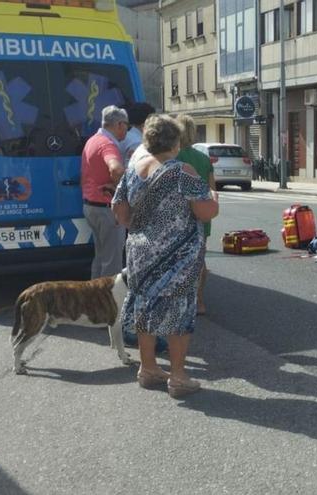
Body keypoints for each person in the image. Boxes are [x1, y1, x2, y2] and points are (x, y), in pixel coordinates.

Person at [111, 114, 218, 397]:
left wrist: (144, 230)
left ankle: (148, 369)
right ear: (176, 142)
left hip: (139, 253)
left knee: (146, 309)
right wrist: (214, 196)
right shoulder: (182, 171)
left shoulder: (133, 169)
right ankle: (178, 377)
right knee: (178, 312)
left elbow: (120, 212)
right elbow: (205, 211)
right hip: (177, 257)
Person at [82, 105, 129, 279]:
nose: (127, 130)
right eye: (126, 125)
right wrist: (121, 189)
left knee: (100, 257)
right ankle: (110, 303)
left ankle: (93, 299)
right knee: (112, 262)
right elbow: (116, 169)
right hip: (107, 207)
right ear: (118, 124)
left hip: (91, 205)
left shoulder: (92, 140)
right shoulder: (108, 144)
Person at [176, 114, 215, 315]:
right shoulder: (203, 158)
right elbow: (212, 190)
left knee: (179, 260)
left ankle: (182, 301)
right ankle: (199, 301)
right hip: (202, 216)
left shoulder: (173, 158)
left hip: (180, 218)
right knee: (199, 259)